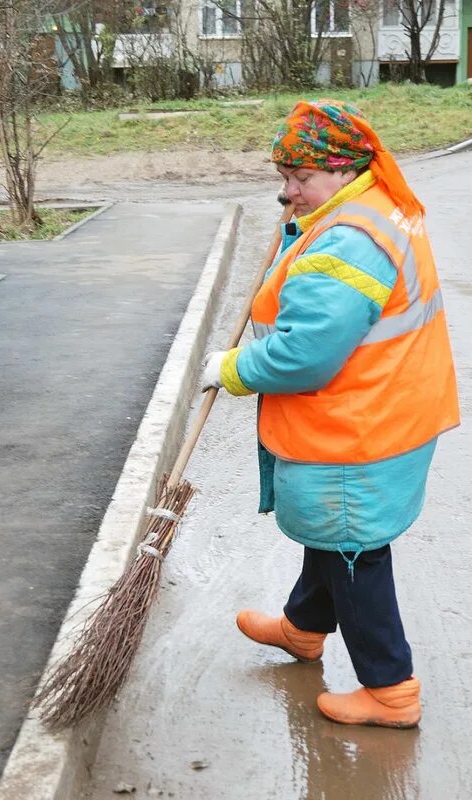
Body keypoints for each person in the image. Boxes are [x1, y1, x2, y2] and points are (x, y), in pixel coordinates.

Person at [201, 99, 459, 728]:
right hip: (384, 410)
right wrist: (301, 227)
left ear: (343, 171)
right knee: (336, 532)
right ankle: (303, 629)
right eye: (283, 177)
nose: (287, 191)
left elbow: (306, 356)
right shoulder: (368, 206)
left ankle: (390, 691)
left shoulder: (348, 239)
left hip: (353, 428)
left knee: (353, 551)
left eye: (301, 179)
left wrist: (229, 368)